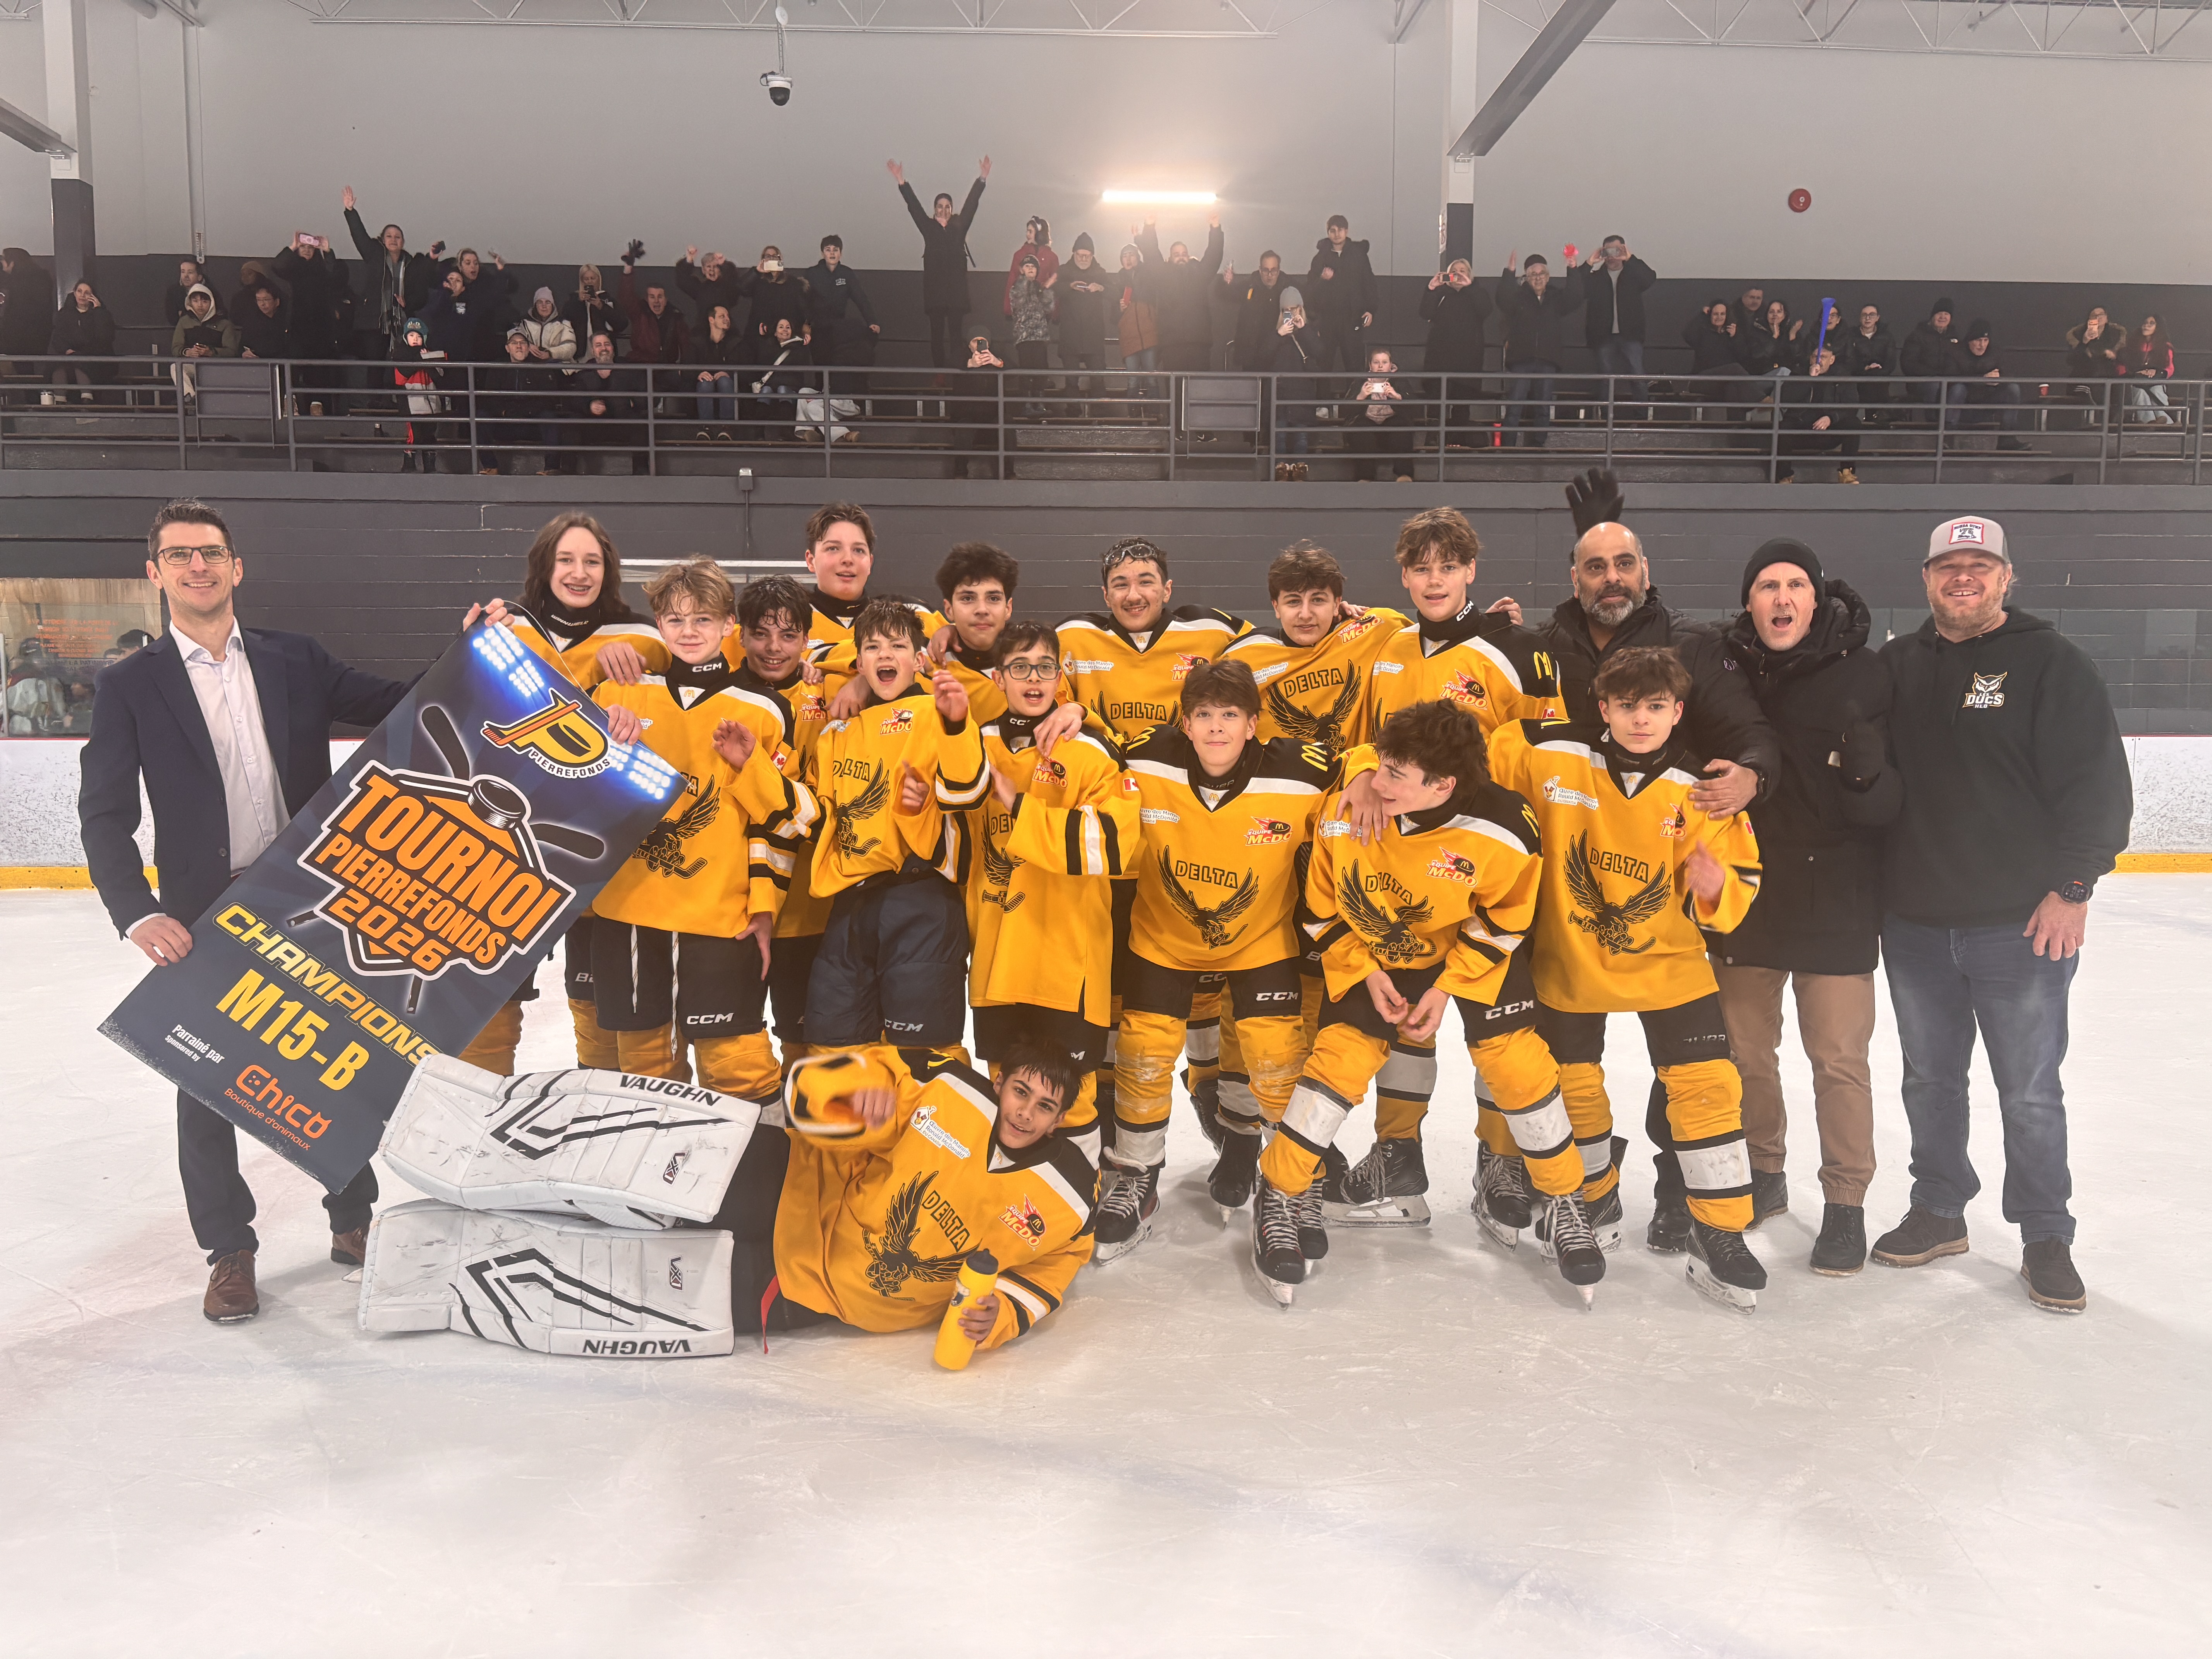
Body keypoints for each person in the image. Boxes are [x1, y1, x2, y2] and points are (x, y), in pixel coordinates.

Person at [77, 499, 422, 1324]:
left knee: (336, 1062)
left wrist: (477, 650)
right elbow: (104, 813)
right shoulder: (130, 683)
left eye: (211, 552)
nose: (197, 566)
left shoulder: (295, 658)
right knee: (204, 1081)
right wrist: (137, 912)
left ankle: (353, 1218)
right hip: (202, 912)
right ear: (155, 572)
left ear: (237, 567)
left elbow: (405, 702)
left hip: (307, 901)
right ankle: (228, 1249)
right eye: (179, 554)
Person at [1255, 698, 1600, 1303]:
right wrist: (1365, 972)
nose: (1379, 782)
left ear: (1444, 785)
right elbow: (1320, 911)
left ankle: (1564, 1201)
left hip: (1468, 950)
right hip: (1379, 952)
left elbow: (1506, 920)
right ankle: (1280, 1194)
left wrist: (1448, 986)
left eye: (1395, 774)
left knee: (1517, 1066)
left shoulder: (1506, 825)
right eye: (1382, 765)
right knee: (1340, 1061)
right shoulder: (1350, 807)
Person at [1876, 516, 2133, 1312]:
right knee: (1930, 1081)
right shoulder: (1897, 665)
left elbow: (2098, 786)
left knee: (2028, 1091)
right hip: (1915, 925)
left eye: (1979, 565)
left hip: (2021, 926)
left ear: (2006, 577)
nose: (1963, 577)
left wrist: (2074, 888)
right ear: (1926, 579)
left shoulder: (2053, 663)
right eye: (1948, 565)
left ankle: (2045, 1232)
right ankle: (1939, 1207)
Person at [1487, 646, 1768, 1307]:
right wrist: (1367, 769)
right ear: (1603, 708)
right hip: (1570, 961)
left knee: (1708, 1089)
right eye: (1627, 706)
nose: (1641, 719)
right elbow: (1467, 755)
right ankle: (1594, 1200)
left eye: (1655, 707)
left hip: (1671, 967)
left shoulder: (1700, 787)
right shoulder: (1550, 753)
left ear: (1677, 712)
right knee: (1572, 1085)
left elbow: (1741, 878)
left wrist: (1715, 887)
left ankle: (1719, 1231)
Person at [1101, 659, 1340, 1260]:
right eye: (1203, 715)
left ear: (1254, 725)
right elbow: (1090, 754)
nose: (1215, 728)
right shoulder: (1145, 757)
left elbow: (1359, 765)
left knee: (1278, 1063)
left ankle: (1293, 1186)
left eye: (1230, 715)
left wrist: (1362, 775)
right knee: (1143, 1057)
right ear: (1184, 723)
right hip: (1162, 940)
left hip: (1261, 943)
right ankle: (1136, 1175)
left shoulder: (1299, 771)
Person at [1712, 540, 1900, 1274]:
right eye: (1767, 585)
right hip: (1748, 896)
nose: (1782, 597)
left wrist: (1869, 778)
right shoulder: (1726, 668)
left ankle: (1846, 1202)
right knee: (1746, 1053)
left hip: (1838, 898)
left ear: (1816, 599)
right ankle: (1764, 1172)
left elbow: (1890, 808)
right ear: (1749, 601)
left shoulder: (1866, 672)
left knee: (1839, 1060)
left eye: (1795, 584)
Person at [587, 559, 821, 1089]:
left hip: (722, 922)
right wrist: (602, 748)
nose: (689, 632)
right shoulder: (615, 696)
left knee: (740, 1073)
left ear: (728, 625)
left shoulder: (764, 710)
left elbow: (787, 823)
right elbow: (570, 793)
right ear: (658, 624)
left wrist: (764, 907)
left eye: (703, 619)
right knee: (645, 1076)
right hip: (628, 917)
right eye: (675, 619)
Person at [725, 1043, 1094, 1346]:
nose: (1026, 1113)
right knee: (695, 1168)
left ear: (1059, 1120)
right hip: (795, 1180)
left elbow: (1053, 1269)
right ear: (999, 1084)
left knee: (688, 1287)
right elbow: (862, 1077)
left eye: (1045, 1107)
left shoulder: (1071, 1198)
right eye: (1021, 1092)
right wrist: (854, 1093)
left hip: (809, 1287)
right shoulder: (946, 1086)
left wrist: (1004, 1313)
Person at [478, 512, 659, 1067]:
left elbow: (686, 689)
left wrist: (637, 690)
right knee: (490, 999)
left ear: (609, 571)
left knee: (595, 1002)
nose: (580, 573)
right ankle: (477, 1109)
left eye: (592, 562)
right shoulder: (505, 630)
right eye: (566, 560)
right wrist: (467, 645)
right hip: (506, 846)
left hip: (594, 851)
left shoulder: (641, 637)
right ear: (544, 566)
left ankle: (593, 1103)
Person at [958, 618, 1133, 1148]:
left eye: (1044, 667)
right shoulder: (974, 748)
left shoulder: (1093, 751)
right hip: (997, 959)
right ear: (997, 677)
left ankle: (1079, 1195)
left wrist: (1019, 806)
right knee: (1007, 1098)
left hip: (1067, 963)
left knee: (1071, 1102)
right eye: (1019, 667)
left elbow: (1112, 845)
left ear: (1061, 676)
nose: (1033, 679)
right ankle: (1007, 1193)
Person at [802, 598, 991, 1060]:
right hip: (849, 905)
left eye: (898, 646)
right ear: (859, 662)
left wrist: (956, 723)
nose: (885, 655)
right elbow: (811, 816)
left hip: (922, 899)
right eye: (872, 647)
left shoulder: (938, 712)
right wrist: (752, 769)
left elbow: (969, 791)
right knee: (833, 1053)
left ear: (918, 659)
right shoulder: (836, 734)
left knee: (925, 1055)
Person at [1535, 494, 1780, 811]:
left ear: (1645, 571)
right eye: (1596, 567)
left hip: (1663, 827)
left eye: (1625, 564)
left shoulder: (1696, 645)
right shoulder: (1544, 645)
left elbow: (1747, 731)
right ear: (1575, 579)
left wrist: (1754, 773)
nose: (1612, 577)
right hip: (1567, 823)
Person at [890, 155, 990, 368]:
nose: (944, 210)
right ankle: (940, 374)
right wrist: (901, 181)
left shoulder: (959, 226)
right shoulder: (928, 228)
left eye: (947, 206)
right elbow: (914, 207)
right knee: (936, 335)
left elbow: (972, 204)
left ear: (952, 209)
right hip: (935, 291)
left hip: (956, 292)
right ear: (935, 209)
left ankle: (956, 370)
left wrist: (982, 178)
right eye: (940, 206)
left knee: (956, 335)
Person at [340, 185, 441, 357]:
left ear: (403, 242)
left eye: (398, 237)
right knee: (376, 365)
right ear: (382, 239)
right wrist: (350, 211)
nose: (394, 240)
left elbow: (425, 280)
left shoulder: (411, 263)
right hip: (375, 323)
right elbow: (359, 235)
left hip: (404, 324)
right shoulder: (374, 254)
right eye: (389, 236)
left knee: (403, 366)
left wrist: (432, 258)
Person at [1494, 252, 1581, 447]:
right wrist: (1509, 272)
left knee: (1543, 406)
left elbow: (1576, 297)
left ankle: (1539, 446)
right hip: (1521, 360)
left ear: (1548, 277)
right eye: (1533, 274)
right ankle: (1508, 446)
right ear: (1527, 278)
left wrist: (1573, 268)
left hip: (1548, 360)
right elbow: (1502, 299)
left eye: (1542, 274)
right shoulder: (1518, 297)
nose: (1538, 278)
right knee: (1515, 405)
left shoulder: (1557, 298)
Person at [930, 540, 1020, 724]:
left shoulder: (1037, 666)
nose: (982, 610)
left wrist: (1074, 710)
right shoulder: (929, 670)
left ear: (1008, 608)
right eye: (968, 598)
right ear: (949, 610)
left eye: (993, 598)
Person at [1134, 211, 1224, 374]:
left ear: (1189, 257)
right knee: (1174, 387)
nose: (1181, 257)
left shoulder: (1200, 275)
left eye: (1184, 254)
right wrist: (1150, 226)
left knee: (1198, 387)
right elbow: (1152, 254)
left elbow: (1214, 256)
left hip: (1199, 343)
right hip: (1172, 344)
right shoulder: (1163, 275)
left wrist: (1216, 228)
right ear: (1170, 258)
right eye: (1176, 255)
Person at [1574, 235, 1657, 408]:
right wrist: (1590, 263)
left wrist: (1630, 259)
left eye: (1616, 251)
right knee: (1605, 379)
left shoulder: (1633, 275)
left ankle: (1642, 417)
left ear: (1624, 250)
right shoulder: (1596, 278)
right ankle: (1605, 417)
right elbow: (1575, 287)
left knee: (1637, 376)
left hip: (1631, 335)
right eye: (1608, 252)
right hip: (1603, 336)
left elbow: (1650, 278)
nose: (1612, 256)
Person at [1418, 259, 1490, 442]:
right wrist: (1431, 289)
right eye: (1455, 271)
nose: (1459, 274)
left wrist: (1470, 287)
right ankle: (1433, 443)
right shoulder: (1441, 293)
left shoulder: (1477, 293)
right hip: (1439, 362)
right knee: (1436, 407)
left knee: (1461, 407)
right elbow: (1425, 313)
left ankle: (1458, 443)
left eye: (1463, 271)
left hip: (1467, 363)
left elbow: (1486, 311)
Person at [618, 244, 690, 414]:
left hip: (666, 368)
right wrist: (628, 268)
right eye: (652, 297)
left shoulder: (676, 318)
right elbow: (626, 297)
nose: (656, 301)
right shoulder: (640, 312)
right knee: (637, 387)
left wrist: (685, 368)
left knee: (688, 382)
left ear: (666, 299)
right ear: (646, 299)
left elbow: (686, 346)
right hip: (641, 367)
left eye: (660, 297)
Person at [1775, 346, 1863, 484]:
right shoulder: (1799, 373)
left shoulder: (1842, 376)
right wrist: (1808, 379)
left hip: (1829, 430)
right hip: (1802, 427)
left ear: (1832, 360)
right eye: (1815, 357)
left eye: (1823, 357)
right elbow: (1785, 399)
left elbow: (1852, 406)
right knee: (1784, 427)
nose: (1818, 361)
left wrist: (1831, 418)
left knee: (1853, 423)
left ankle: (1847, 472)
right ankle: (1784, 476)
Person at [1304, 215, 1377, 378]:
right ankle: (1323, 396)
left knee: (1355, 365)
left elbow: (1369, 283)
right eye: (1333, 231)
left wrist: (1371, 310)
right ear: (1328, 233)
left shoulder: (1359, 256)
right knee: (1324, 365)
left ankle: (1355, 396)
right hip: (1327, 320)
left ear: (1347, 231)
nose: (1337, 234)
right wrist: (1322, 280)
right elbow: (1310, 291)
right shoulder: (1320, 258)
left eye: (1341, 230)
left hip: (1353, 318)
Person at [574, 329, 649, 472]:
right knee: (571, 425)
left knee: (640, 424)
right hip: (595, 425)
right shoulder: (584, 373)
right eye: (599, 345)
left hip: (623, 423)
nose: (604, 348)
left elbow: (647, 398)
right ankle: (566, 470)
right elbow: (575, 401)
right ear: (593, 351)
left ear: (613, 348)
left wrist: (631, 402)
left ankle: (641, 472)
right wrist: (589, 406)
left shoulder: (630, 370)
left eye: (607, 344)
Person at [1269, 287, 1323, 478]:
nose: (1291, 313)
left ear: (1301, 308)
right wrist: (1279, 334)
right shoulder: (1275, 331)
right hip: (1281, 389)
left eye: (1294, 309)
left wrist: (1304, 329)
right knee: (1280, 433)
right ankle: (1281, 468)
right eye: (1287, 310)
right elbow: (1263, 356)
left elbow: (1319, 353)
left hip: (1302, 389)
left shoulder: (1310, 329)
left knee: (1301, 434)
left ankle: (1301, 468)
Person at [1053, 234, 1112, 405]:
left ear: (1093, 256)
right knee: (1071, 381)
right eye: (1081, 255)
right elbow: (1052, 288)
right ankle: (1072, 414)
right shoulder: (1064, 271)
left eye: (1088, 256)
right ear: (1074, 253)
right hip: (1070, 336)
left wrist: (1101, 288)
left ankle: (1100, 414)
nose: (1084, 259)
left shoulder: (1100, 273)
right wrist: (1069, 286)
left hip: (1094, 337)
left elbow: (1115, 293)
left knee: (1098, 380)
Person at [1949, 320, 2027, 450]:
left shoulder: (1996, 353)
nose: (1982, 345)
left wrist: (1999, 379)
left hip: (1986, 406)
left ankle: (2008, 439)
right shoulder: (1957, 353)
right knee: (1958, 389)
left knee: (2013, 388)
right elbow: (1950, 379)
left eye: (1986, 341)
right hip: (1963, 409)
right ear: (1970, 341)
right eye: (1978, 341)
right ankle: (1947, 440)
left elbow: (2009, 374)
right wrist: (1982, 380)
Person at [1345, 345, 1414, 482]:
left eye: (1385, 362)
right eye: (1376, 362)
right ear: (1370, 365)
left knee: (1402, 427)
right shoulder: (1361, 381)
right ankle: (1365, 477)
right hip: (1368, 423)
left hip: (1391, 424)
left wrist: (1397, 397)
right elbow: (1346, 410)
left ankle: (1404, 475)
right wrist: (1361, 396)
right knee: (1361, 430)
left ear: (1391, 365)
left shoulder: (1399, 380)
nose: (1381, 366)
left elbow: (1415, 407)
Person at [170, 283, 242, 407]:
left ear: (212, 302)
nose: (200, 305)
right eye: (196, 301)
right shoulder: (184, 322)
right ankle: (190, 397)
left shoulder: (225, 324)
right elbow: (176, 348)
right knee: (175, 367)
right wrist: (188, 352)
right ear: (190, 302)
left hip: (217, 368)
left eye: (204, 301)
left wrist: (211, 352)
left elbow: (232, 351)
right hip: (193, 366)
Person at [47, 278, 117, 402]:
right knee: (58, 364)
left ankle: (87, 399)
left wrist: (99, 311)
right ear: (74, 293)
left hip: (93, 357)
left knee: (81, 361)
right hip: (68, 355)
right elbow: (58, 338)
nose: (82, 295)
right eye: (79, 291)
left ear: (93, 296)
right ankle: (60, 401)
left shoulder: (101, 314)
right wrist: (67, 350)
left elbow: (105, 338)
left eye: (87, 293)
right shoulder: (64, 314)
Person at [950, 333, 1006, 476]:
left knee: (1008, 427)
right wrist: (970, 364)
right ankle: (960, 473)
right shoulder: (961, 355)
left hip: (992, 415)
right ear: (969, 344)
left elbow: (1015, 369)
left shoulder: (995, 355)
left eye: (983, 341)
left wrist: (998, 363)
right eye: (976, 341)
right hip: (967, 415)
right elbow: (949, 364)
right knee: (963, 430)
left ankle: (1009, 473)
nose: (979, 344)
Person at [1006, 253, 1056, 412]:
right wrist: (1027, 282)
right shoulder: (1016, 287)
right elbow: (1018, 301)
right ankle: (1027, 404)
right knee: (1026, 371)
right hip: (1025, 338)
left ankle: (1040, 403)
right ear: (1022, 269)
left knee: (1041, 371)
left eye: (1033, 267)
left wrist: (1046, 289)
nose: (1030, 269)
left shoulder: (1041, 288)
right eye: (1027, 266)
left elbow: (1049, 308)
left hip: (1040, 337)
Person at [1900, 296, 1961, 419]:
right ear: (1932, 316)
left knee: (1959, 388)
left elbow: (1960, 361)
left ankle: (1949, 425)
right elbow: (1908, 364)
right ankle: (1932, 424)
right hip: (1922, 383)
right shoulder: (1917, 336)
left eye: (1947, 314)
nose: (1943, 317)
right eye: (1939, 314)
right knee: (1933, 386)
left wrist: (1949, 375)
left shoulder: (1955, 337)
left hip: (1948, 382)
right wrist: (1934, 375)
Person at [0, 247, 57, 380]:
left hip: (20, 339)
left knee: (24, 373)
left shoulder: (18, 282)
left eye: (4, 259)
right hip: (36, 339)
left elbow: (18, 312)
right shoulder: (41, 277)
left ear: (13, 262)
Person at [1228, 250, 1290, 372]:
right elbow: (1228, 294)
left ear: (1279, 271)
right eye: (1266, 271)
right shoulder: (1249, 287)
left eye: (1273, 270)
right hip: (1253, 356)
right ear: (1260, 270)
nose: (1270, 275)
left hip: (1280, 354)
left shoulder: (1289, 288)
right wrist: (1227, 283)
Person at [1115, 241, 1160, 405]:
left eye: (1131, 255)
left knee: (1152, 377)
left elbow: (1149, 293)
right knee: (1132, 379)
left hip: (1149, 334)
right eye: (1124, 256)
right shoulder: (1118, 280)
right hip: (1129, 335)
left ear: (1138, 257)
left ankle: (1155, 412)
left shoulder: (1148, 274)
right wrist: (1120, 309)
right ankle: (1132, 413)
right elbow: (1112, 315)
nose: (1128, 259)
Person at [1835, 302, 1897, 423]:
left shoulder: (1887, 336)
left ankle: (1877, 416)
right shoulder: (1850, 335)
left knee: (1877, 379)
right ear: (1860, 318)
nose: (1868, 318)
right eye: (1865, 315)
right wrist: (1865, 368)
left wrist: (1879, 369)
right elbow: (1848, 358)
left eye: (1872, 315)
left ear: (1878, 318)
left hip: (1881, 376)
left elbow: (1891, 361)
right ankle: (1876, 416)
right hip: (1857, 375)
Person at [691, 303, 745, 436]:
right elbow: (686, 369)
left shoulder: (737, 343)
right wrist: (698, 374)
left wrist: (728, 374)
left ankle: (727, 428)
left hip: (729, 385)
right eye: (722, 316)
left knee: (725, 382)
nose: (727, 319)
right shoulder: (698, 343)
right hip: (703, 387)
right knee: (705, 383)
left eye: (728, 316)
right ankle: (706, 428)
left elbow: (746, 371)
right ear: (711, 320)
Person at [562, 264, 625, 357]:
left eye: (593, 278)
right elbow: (565, 318)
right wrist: (578, 301)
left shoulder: (608, 300)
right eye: (586, 279)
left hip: (603, 349)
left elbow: (621, 324)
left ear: (599, 279)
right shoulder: (574, 300)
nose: (590, 282)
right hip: (582, 350)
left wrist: (601, 306)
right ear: (582, 281)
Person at [2123, 313, 2175, 424]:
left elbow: (2169, 368)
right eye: (2145, 323)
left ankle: (2163, 420)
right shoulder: (2133, 344)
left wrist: (2156, 372)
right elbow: (2125, 364)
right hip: (2137, 382)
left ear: (2158, 327)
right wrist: (2138, 372)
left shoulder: (2165, 346)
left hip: (2155, 381)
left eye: (2152, 323)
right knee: (2140, 392)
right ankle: (2150, 422)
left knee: (2157, 390)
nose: (2147, 326)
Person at [1003, 215, 1058, 318]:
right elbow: (1012, 280)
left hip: (1043, 311)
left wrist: (1056, 312)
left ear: (1040, 234)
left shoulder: (1051, 257)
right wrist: (1008, 309)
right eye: (1027, 231)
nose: (1027, 235)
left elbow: (1056, 284)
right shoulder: (1020, 255)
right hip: (1022, 309)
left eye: (1031, 232)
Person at [237, 282, 291, 362]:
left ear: (277, 302)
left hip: (283, 364)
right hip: (257, 365)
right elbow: (242, 347)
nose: (262, 304)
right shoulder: (251, 322)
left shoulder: (288, 321)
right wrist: (244, 354)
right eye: (259, 300)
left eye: (266, 300)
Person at [163, 256, 207, 328]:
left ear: (199, 277)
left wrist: (183, 314)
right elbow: (173, 320)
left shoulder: (209, 290)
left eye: (190, 272)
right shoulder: (173, 292)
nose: (186, 276)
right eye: (183, 272)